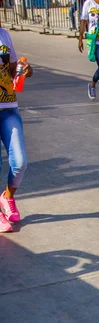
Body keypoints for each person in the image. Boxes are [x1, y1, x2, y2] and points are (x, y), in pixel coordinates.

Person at [0, 26, 32, 233]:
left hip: (8, 106)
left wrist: (24, 70)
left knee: (19, 162)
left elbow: (12, 67)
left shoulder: (3, 34)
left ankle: (7, 197)